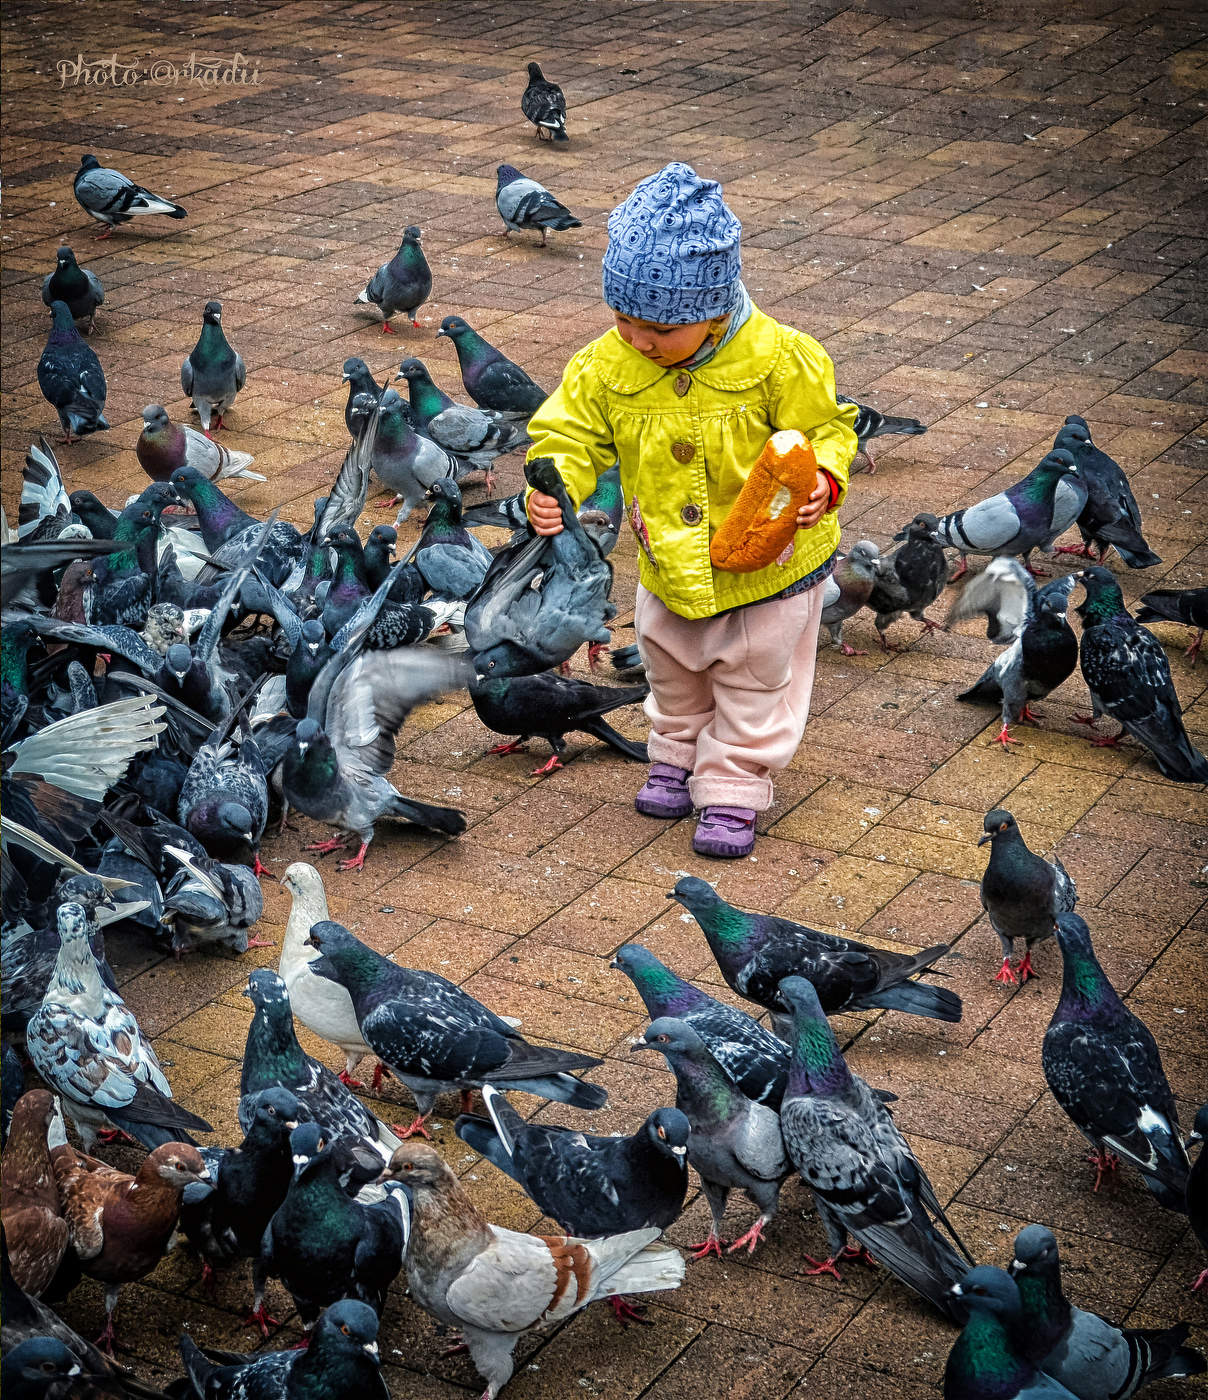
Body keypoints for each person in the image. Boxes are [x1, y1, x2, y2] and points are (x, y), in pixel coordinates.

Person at [525, 162, 858, 858]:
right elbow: (571, 430)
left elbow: (827, 428)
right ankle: (675, 755)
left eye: (656, 328)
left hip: (771, 563)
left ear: (711, 311)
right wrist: (555, 481)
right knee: (669, 664)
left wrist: (822, 479)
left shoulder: (777, 360)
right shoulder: (607, 365)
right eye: (622, 319)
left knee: (754, 676)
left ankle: (734, 786)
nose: (638, 339)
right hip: (669, 561)